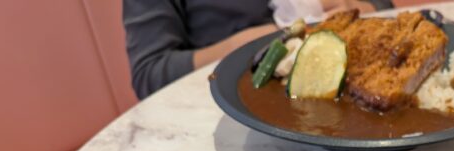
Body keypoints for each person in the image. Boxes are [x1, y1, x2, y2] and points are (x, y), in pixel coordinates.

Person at [123, 0, 393, 99]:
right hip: (232, 106)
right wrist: (241, 45)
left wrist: (357, 8)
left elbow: (384, 6)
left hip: (354, 86)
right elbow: (150, 73)